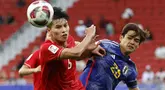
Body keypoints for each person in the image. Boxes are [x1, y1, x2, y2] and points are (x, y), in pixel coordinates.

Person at [80, 23, 150, 90]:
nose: (132, 42)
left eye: (136, 40)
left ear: (138, 45)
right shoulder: (105, 45)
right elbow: (80, 51)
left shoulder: (130, 68)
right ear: (121, 38)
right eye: (129, 38)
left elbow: (133, 88)